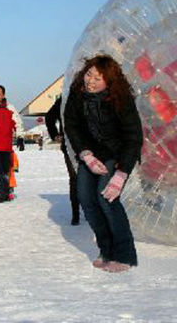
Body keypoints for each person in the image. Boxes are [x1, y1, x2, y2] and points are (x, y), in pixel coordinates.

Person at [64, 54, 142, 273]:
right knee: (86, 199)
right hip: (91, 154)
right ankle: (106, 250)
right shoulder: (77, 94)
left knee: (106, 199)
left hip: (116, 154)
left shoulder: (121, 98)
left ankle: (124, 255)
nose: (90, 81)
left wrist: (121, 174)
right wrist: (86, 155)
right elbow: (72, 125)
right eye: (89, 74)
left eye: (97, 78)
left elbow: (133, 136)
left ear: (109, 81)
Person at [45, 96, 80, 225]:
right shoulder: (64, 100)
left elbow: (49, 117)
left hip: (81, 145)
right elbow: (49, 117)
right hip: (71, 145)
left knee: (77, 179)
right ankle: (77, 214)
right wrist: (54, 134)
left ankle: (78, 214)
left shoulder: (65, 98)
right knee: (77, 179)